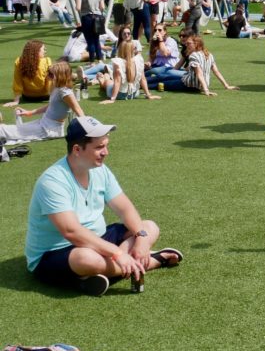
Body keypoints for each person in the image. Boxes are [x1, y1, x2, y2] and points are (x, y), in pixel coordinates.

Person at [25, 116, 183, 296]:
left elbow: (125, 208)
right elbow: (72, 232)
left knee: (148, 227)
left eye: (106, 145)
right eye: (99, 147)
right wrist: (117, 253)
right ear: (77, 149)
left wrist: (140, 238)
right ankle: (153, 261)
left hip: (97, 239)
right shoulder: (53, 181)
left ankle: (94, 277)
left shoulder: (100, 170)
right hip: (56, 253)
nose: (106, 152)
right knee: (87, 259)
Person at [0, 62, 85, 147]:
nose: (48, 76)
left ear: (60, 75)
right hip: (44, 123)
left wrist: (87, 129)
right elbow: (51, 106)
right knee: (13, 129)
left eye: (51, 74)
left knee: (6, 130)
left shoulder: (65, 92)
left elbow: (78, 110)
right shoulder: (57, 87)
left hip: (50, 129)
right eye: (49, 73)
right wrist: (30, 112)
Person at [6, 40, 52, 107]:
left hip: (27, 97)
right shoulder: (47, 61)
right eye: (43, 49)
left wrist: (16, 101)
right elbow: (50, 82)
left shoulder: (19, 61)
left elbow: (17, 82)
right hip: (45, 96)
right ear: (36, 51)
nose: (45, 51)